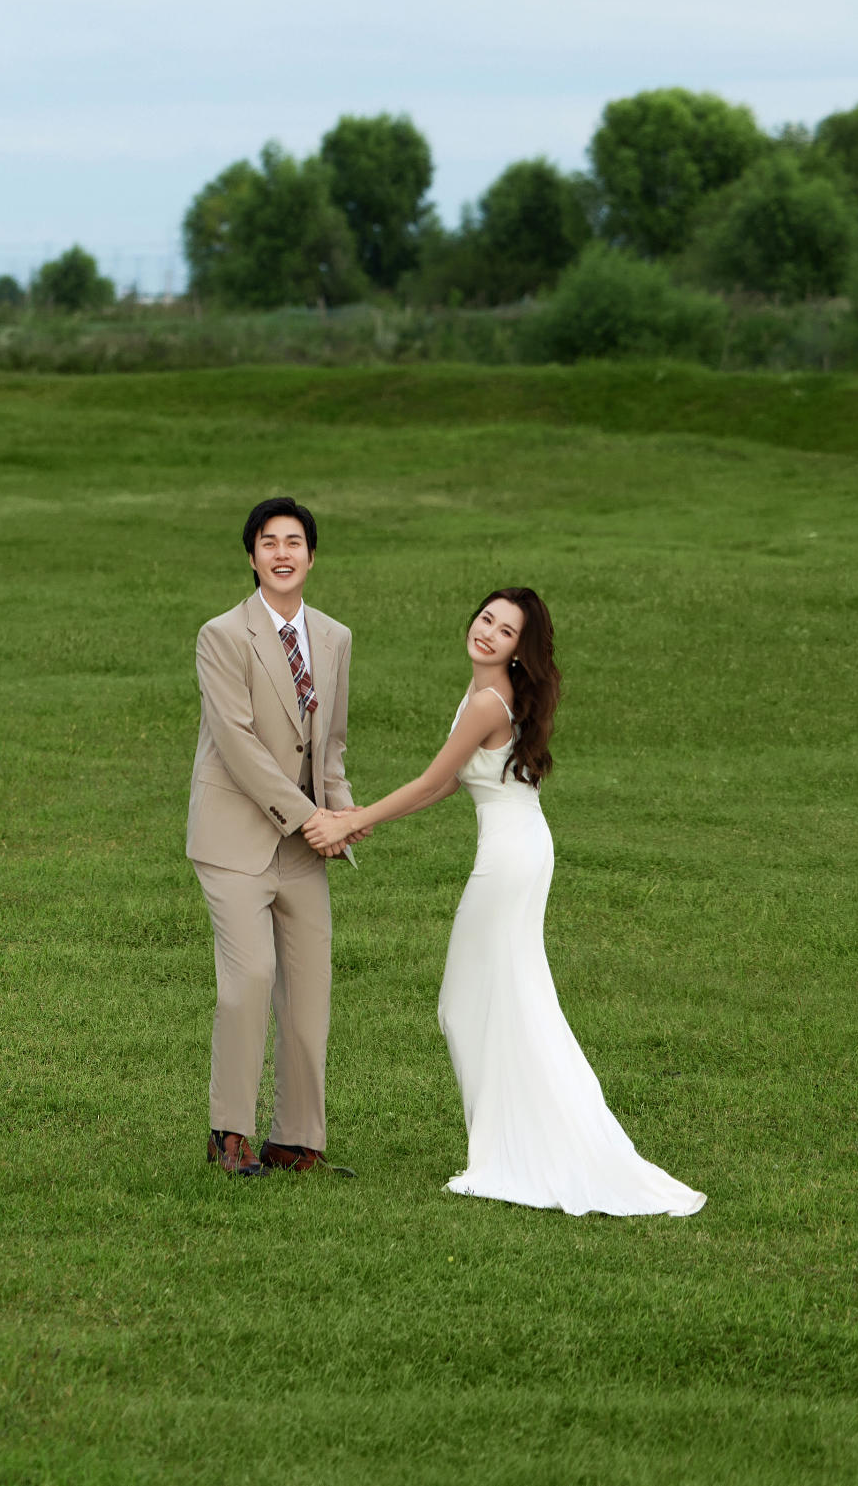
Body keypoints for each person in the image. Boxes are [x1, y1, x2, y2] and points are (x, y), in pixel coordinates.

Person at [308, 589, 703, 1216]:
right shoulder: (489, 696)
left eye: (507, 631)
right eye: (486, 619)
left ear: (522, 650)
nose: (488, 633)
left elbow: (435, 779)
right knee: (491, 1000)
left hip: (511, 858)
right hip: (519, 847)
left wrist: (349, 820)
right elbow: (449, 785)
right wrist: (366, 819)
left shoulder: (489, 702)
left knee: (473, 1003)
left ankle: (509, 1154)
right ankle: (504, 1145)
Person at [188, 496, 354, 1177]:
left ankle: (295, 1139)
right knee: (249, 977)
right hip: (233, 836)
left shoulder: (335, 636)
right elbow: (238, 743)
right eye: (268, 542)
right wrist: (307, 813)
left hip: (303, 846)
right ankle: (230, 1131)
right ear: (252, 556)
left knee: (309, 990)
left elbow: (330, 743)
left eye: (294, 541)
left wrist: (339, 814)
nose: (282, 552)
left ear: (312, 556)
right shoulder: (222, 634)